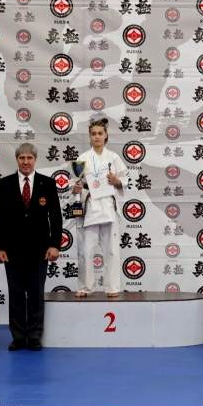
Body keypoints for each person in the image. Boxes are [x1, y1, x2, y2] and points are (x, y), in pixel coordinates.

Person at [0, 144, 62, 351]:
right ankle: (18, 337)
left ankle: (34, 336)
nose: (25, 162)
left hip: (39, 250)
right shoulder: (5, 183)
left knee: (35, 295)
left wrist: (55, 245)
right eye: (22, 158)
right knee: (15, 295)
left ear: (35, 159)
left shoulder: (47, 183)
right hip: (12, 250)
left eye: (29, 158)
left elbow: (55, 217)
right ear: (16, 159)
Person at [72, 118, 129, 298]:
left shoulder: (113, 157)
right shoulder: (83, 158)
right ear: (89, 136)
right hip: (90, 205)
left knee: (111, 249)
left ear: (106, 135)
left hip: (107, 205)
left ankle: (112, 287)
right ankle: (85, 287)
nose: (97, 137)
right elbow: (75, 181)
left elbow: (124, 180)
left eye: (100, 133)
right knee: (86, 249)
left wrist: (117, 181)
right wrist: (75, 188)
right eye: (93, 134)